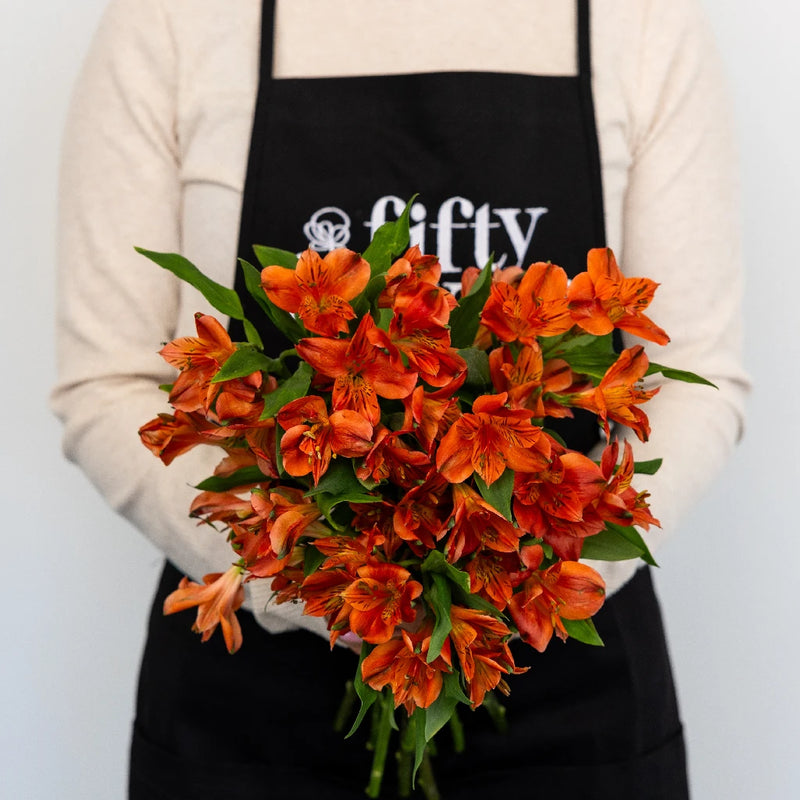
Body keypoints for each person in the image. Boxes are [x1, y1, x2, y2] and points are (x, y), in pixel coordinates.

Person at [53, 1, 749, 797]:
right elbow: (104, 384)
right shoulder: (172, 20)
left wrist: (515, 579)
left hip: (565, 694)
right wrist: (312, 575)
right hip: (249, 715)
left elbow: (699, 378)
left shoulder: (644, 20)